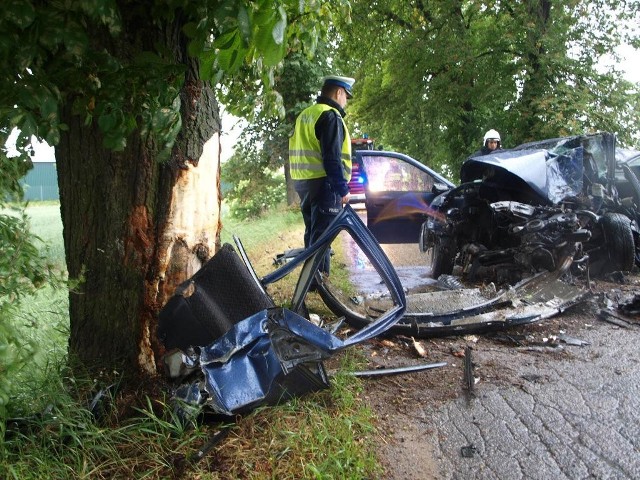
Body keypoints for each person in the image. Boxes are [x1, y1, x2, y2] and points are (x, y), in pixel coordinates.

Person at [289, 74, 355, 274]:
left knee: (313, 234)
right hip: (324, 186)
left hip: (303, 183)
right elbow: (332, 159)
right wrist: (342, 188)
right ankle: (318, 283)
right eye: (346, 97)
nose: (346, 103)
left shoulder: (305, 115)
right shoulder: (330, 116)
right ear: (339, 92)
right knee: (322, 238)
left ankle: (312, 283)